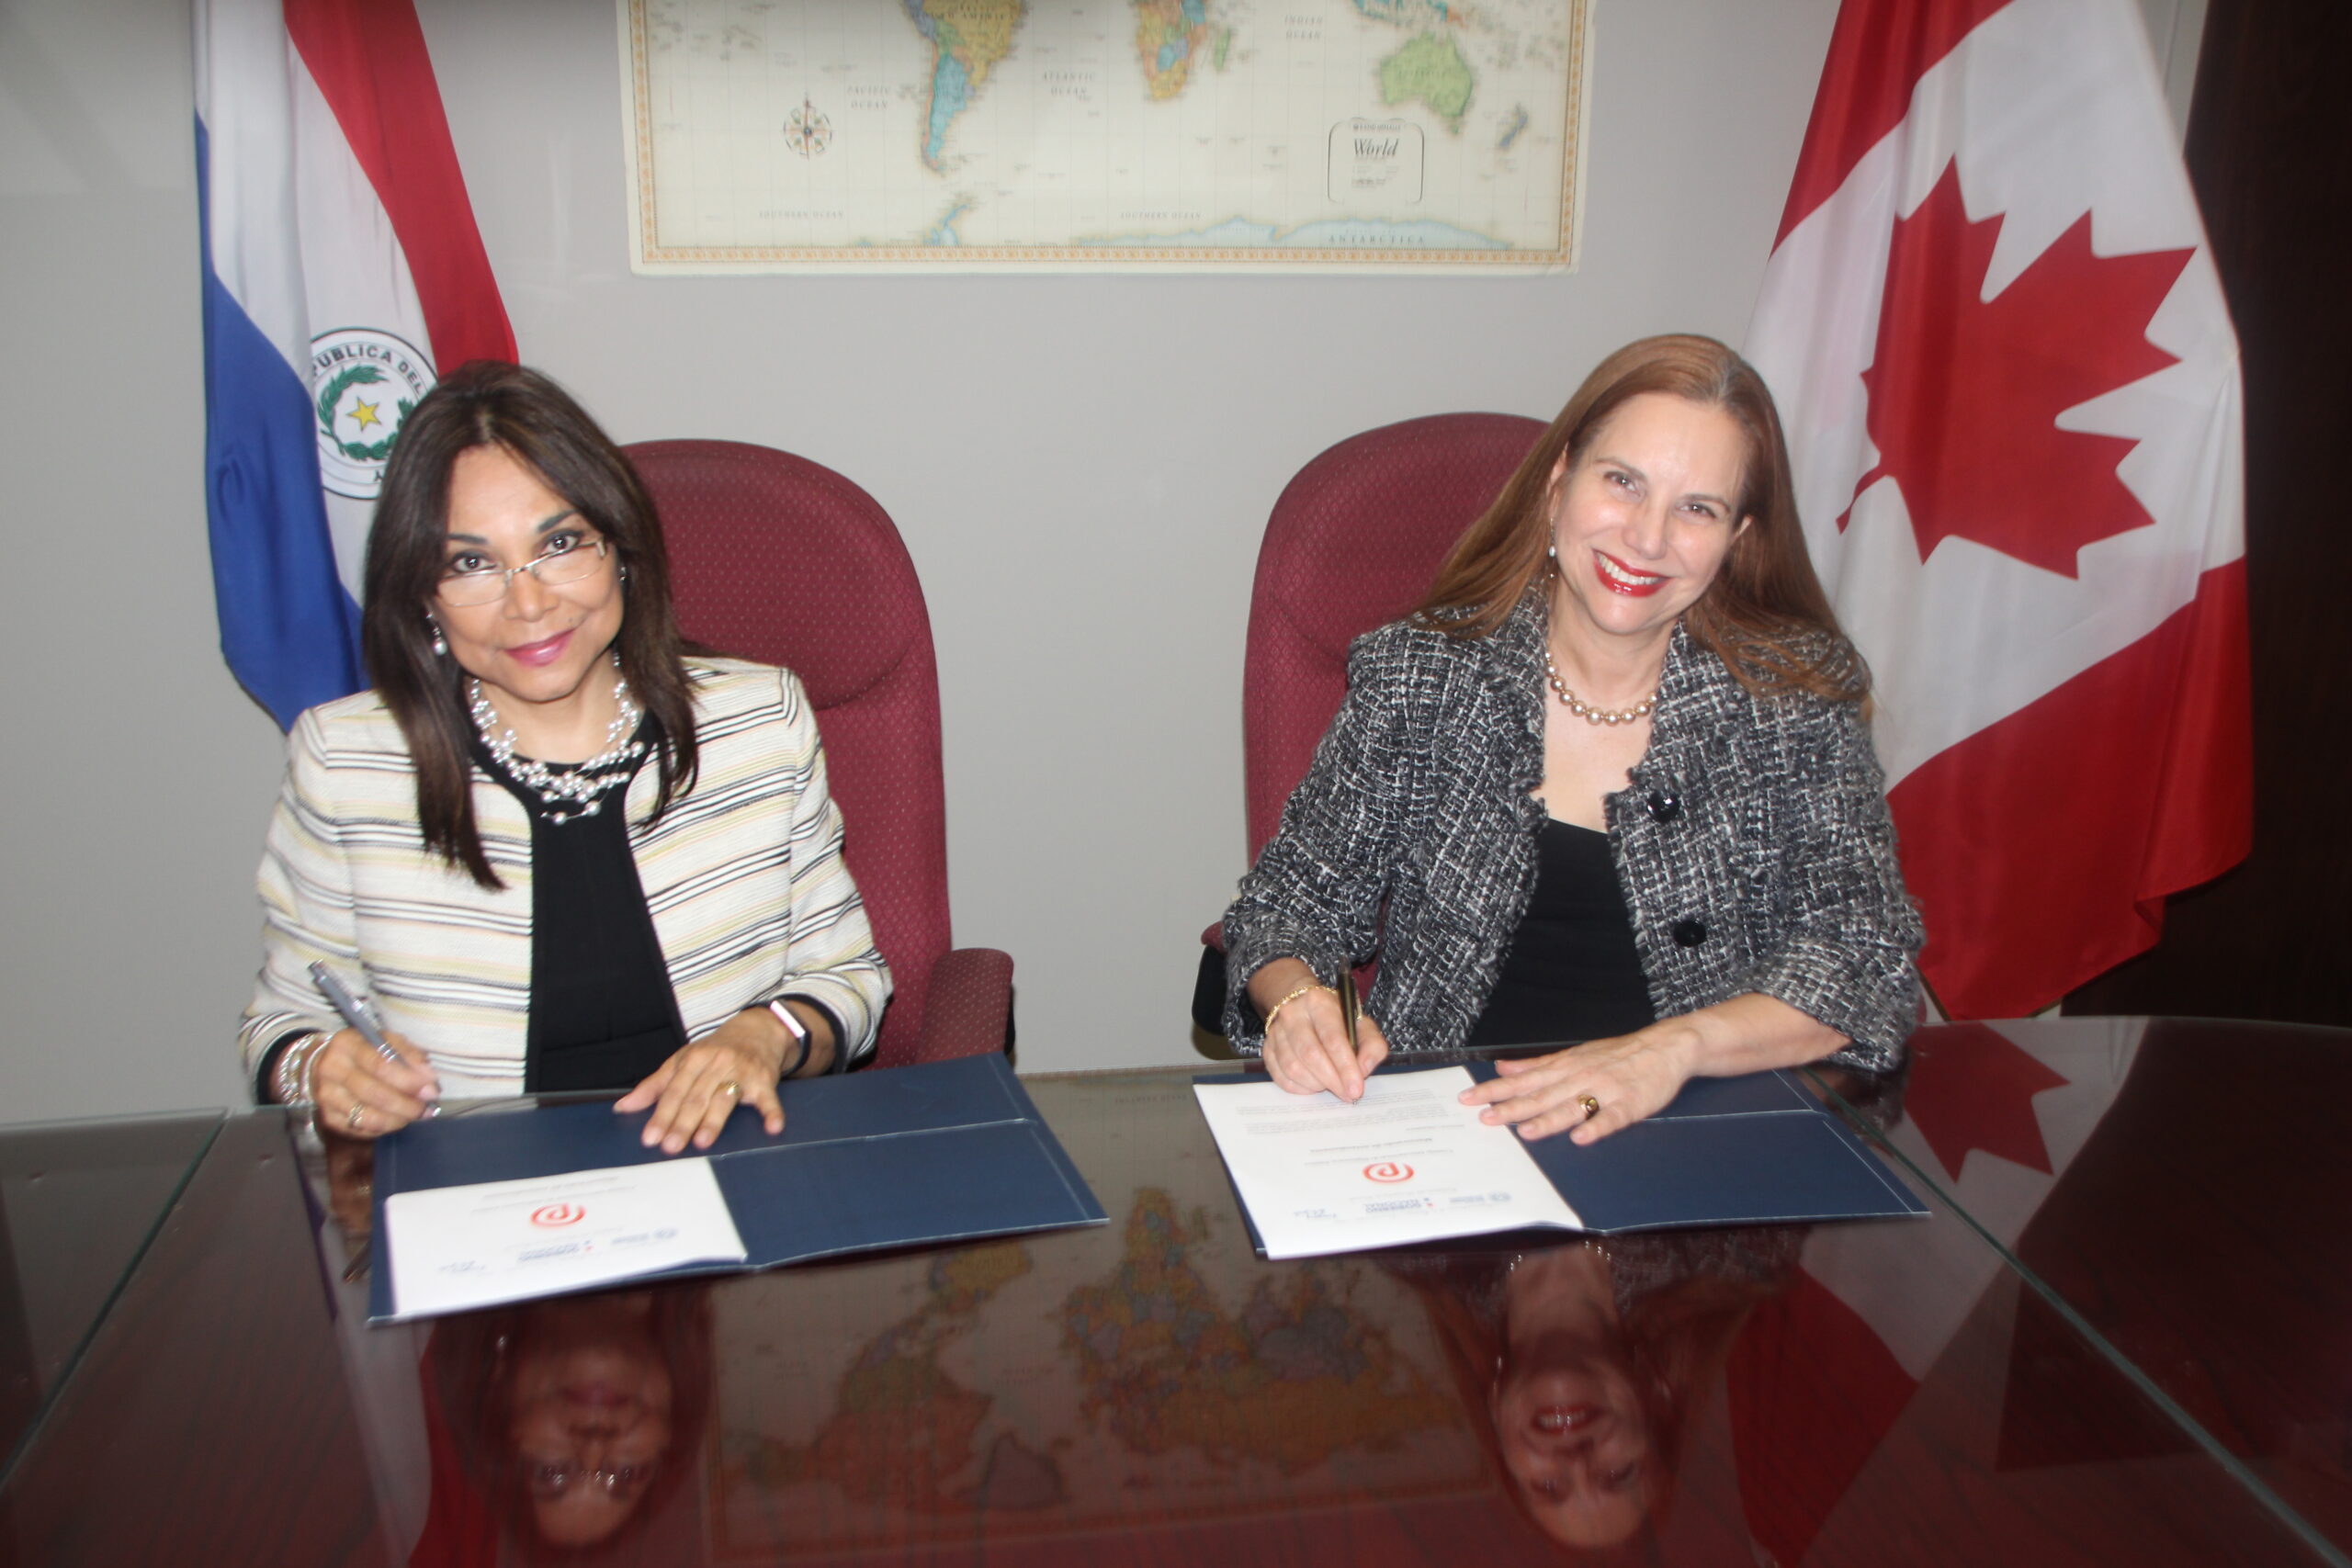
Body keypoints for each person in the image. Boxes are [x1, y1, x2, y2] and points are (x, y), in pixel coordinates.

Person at [1221, 334, 1921, 1143]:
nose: (1648, 537)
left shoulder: (1793, 703)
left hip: (1703, 1138)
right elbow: (1286, 908)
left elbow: (1864, 958)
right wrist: (1297, 1001)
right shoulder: (1426, 676)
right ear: (1559, 485)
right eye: (1623, 482)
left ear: (1737, 539)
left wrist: (1673, 1050)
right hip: (1453, 1136)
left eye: (1697, 508)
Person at [242, 361, 889, 1153]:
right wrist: (321, 1066)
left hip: (728, 1167)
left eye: (559, 543)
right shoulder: (345, 762)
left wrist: (765, 1034)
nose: (529, 603)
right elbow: (285, 1020)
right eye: (471, 563)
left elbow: (848, 978)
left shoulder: (759, 721)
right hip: (473, 1187)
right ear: (423, 594)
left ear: (619, 548)